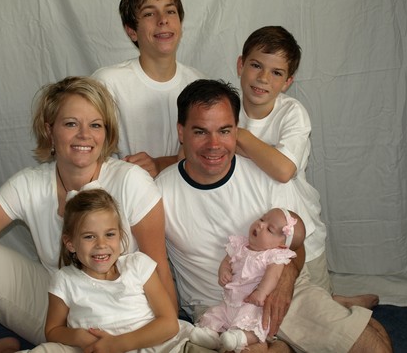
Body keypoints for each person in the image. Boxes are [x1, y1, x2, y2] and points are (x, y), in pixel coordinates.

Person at [0, 76, 177, 353]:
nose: (84, 135)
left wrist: (168, 339)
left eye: (95, 125)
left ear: (106, 133)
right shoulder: (28, 183)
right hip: (63, 321)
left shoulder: (131, 180)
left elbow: (159, 266)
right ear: (49, 130)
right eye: (71, 123)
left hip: (130, 321)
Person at [155, 79, 392, 352]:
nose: (214, 144)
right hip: (218, 309)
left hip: (279, 288)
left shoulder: (263, 174)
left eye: (224, 131)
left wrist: (286, 282)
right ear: (181, 132)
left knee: (372, 343)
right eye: (200, 132)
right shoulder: (159, 193)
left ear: (236, 131)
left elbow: (296, 246)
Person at [235, 25, 378, 309]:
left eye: (276, 73)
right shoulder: (228, 109)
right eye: (256, 65)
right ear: (240, 65)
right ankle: (336, 300)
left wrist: (241, 137)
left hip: (298, 230)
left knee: (316, 300)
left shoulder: (292, 113)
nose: (263, 78)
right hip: (256, 228)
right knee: (267, 299)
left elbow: (283, 170)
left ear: (287, 82)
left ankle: (336, 301)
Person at [19, 189, 192, 353]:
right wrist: (78, 336)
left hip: (159, 348)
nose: (101, 244)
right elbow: (53, 330)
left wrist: (117, 344)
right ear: (70, 243)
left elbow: (169, 324)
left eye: (109, 234)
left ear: (120, 235)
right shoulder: (64, 280)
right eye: (89, 236)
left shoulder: (138, 265)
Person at [92, 0, 205, 178]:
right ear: (131, 31)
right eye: (149, 14)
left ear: (180, 23)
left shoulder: (199, 84)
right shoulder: (106, 84)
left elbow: (208, 153)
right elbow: (86, 156)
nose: (163, 20)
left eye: (170, 11)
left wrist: (160, 164)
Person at [190, 208, 306, 353]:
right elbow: (227, 261)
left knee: (253, 324)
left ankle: (239, 338)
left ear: (281, 245)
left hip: (251, 303)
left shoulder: (274, 256)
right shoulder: (240, 245)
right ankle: (211, 335)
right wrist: (224, 271)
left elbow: (273, 276)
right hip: (229, 301)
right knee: (215, 314)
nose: (261, 225)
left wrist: (261, 292)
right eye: (262, 219)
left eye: (269, 229)